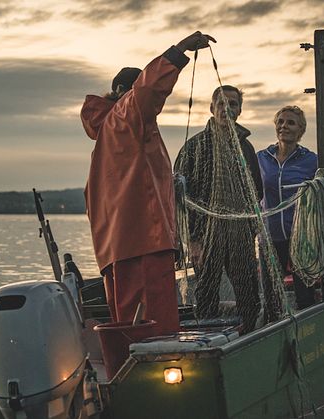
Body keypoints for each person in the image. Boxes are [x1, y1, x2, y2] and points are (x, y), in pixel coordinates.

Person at [80, 31, 216, 336]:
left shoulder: (108, 134)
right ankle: (156, 370)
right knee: (156, 326)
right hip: (144, 242)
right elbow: (145, 92)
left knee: (128, 324)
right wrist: (179, 51)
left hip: (116, 248)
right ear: (122, 92)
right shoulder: (125, 119)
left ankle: (129, 370)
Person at [174, 85, 263, 334]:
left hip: (239, 235)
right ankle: (207, 338)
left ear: (240, 110)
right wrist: (192, 240)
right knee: (206, 292)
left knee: (248, 293)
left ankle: (248, 337)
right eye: (221, 103)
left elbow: (256, 191)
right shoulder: (194, 147)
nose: (227, 108)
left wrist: (250, 230)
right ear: (212, 108)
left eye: (232, 104)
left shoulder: (246, 148)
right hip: (205, 236)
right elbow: (180, 198)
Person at [257, 105, 318, 310]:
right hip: (269, 238)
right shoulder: (261, 158)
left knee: (305, 296)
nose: (284, 126)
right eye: (280, 122)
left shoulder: (311, 161)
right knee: (271, 295)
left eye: (290, 123)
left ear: (300, 130)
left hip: (300, 239)